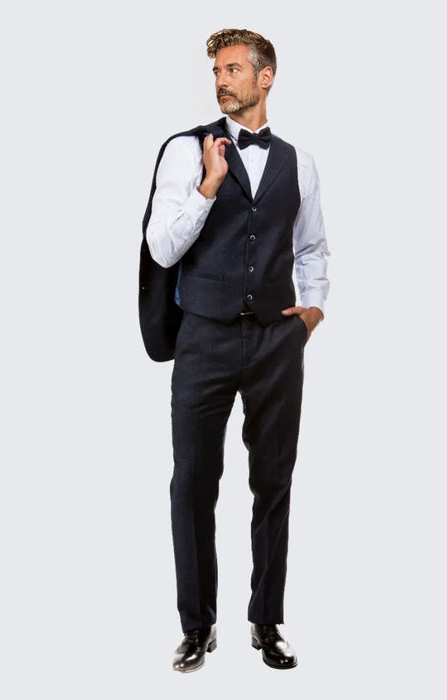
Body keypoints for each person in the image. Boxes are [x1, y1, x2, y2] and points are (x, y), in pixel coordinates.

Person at [139, 28, 330, 672]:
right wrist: (208, 186)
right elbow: (162, 246)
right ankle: (197, 626)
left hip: (277, 340)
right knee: (193, 481)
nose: (221, 80)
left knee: (273, 482)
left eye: (232, 70)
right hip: (204, 338)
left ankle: (267, 620)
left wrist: (312, 310)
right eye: (216, 71)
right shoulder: (185, 151)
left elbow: (312, 247)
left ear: (264, 76)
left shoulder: (299, 163)